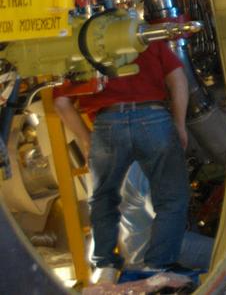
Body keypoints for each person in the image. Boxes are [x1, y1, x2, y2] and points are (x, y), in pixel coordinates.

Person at [52, 40, 190, 283]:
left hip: (107, 122)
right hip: (154, 118)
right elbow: (178, 78)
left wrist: (86, 139)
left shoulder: (79, 44)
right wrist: (179, 123)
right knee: (171, 198)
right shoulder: (146, 36)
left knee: (104, 198)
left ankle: (105, 266)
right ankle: (158, 266)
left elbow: (61, 102)